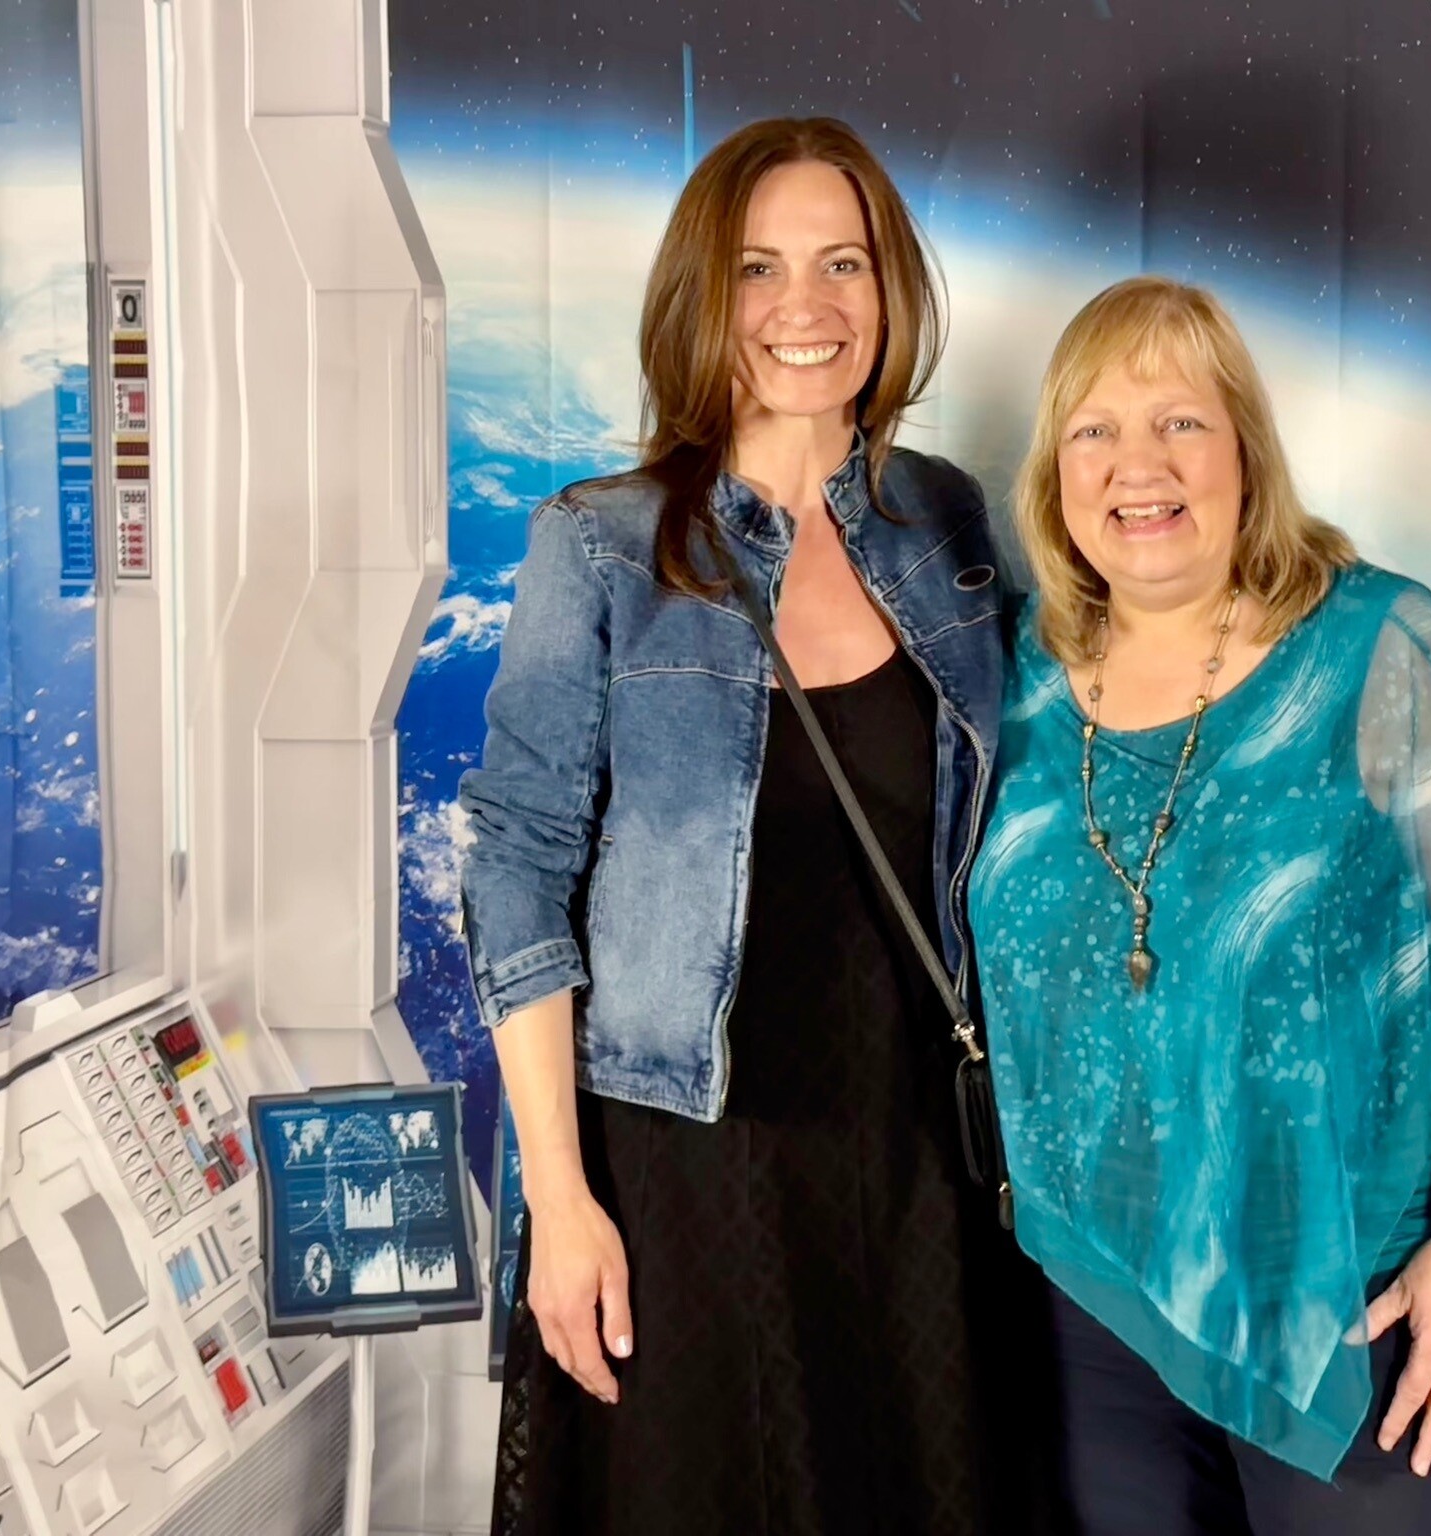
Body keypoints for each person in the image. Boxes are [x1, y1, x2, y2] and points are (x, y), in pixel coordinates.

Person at [459, 117, 1060, 1536]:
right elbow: (519, 870)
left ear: (888, 288)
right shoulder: (601, 544)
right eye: (757, 268)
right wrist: (561, 1198)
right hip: (686, 1159)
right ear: (699, 296)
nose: (806, 304)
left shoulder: (948, 526)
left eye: (842, 262)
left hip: (918, 1164)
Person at [967, 275, 1431, 1534]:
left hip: (1353, 1319)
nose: (1137, 466)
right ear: (1054, 472)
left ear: (1244, 450)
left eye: (1179, 423)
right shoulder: (1011, 678)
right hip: (1087, 1313)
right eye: (1095, 429)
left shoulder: (1383, 649)